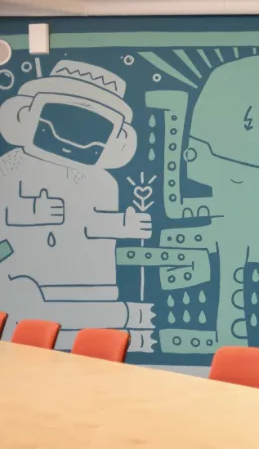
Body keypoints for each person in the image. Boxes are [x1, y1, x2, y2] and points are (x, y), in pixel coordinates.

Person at [0, 60, 152, 347]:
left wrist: (123, 225)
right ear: (27, 114)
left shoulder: (103, 183)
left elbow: (92, 224)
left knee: (87, 334)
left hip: (91, 286)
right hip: (22, 274)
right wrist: (31, 212)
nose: (71, 141)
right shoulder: (12, 167)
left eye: (95, 131)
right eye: (57, 121)